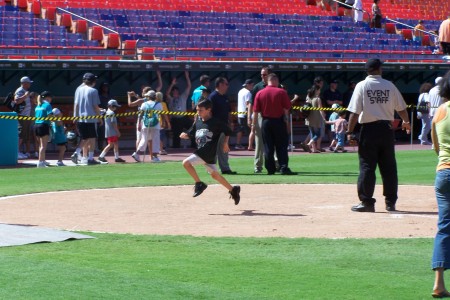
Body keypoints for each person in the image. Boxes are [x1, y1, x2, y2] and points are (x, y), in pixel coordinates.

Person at [346, 58, 411, 212]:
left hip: (369, 130)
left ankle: (367, 202)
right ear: (379, 69)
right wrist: (406, 121)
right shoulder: (389, 85)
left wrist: (349, 132)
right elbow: (401, 107)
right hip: (387, 129)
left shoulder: (362, 85)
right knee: (389, 167)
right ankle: (390, 202)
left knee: (367, 167)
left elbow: (355, 112)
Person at [180, 99, 241, 205]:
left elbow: (228, 131)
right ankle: (233, 190)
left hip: (207, 152)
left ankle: (199, 184)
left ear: (209, 110)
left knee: (186, 163)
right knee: (215, 175)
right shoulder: (198, 122)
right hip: (206, 154)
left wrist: (225, 143)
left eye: (201, 110)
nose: (198, 112)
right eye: (197, 110)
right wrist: (185, 135)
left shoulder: (215, 122)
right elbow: (190, 133)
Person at [431, 70, 450, 299]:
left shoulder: (439, 112)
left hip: (443, 172)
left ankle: (438, 283)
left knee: (444, 228)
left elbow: (436, 148)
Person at [253, 73, 294, 175]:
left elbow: (255, 111)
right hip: (278, 121)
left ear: (267, 81)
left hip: (265, 122)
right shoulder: (281, 92)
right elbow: (287, 108)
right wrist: (287, 123)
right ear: (276, 81)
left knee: (268, 147)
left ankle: (270, 169)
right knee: (281, 146)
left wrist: (254, 125)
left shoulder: (260, 93)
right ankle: (283, 167)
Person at [73, 72, 103, 165]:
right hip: (91, 118)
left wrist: (75, 116)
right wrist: (100, 118)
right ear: (93, 81)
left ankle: (77, 153)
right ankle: (90, 158)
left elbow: (76, 104)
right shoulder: (93, 91)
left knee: (85, 138)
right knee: (92, 138)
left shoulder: (79, 90)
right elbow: (95, 106)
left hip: (81, 118)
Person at [209, 77, 236, 175]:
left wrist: (231, 122)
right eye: (226, 84)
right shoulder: (212, 97)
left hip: (224, 127)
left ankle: (225, 169)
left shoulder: (225, 97)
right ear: (220, 84)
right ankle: (211, 169)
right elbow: (209, 112)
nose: (227, 86)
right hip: (215, 127)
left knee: (224, 148)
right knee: (213, 149)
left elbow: (228, 112)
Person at [248, 67, 270, 173]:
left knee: (273, 142)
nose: (263, 76)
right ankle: (258, 165)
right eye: (261, 74)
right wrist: (250, 118)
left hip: (272, 116)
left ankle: (275, 163)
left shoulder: (275, 85)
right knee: (259, 142)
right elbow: (251, 104)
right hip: (260, 115)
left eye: (265, 74)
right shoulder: (257, 87)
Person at [132, 90, 162, 162]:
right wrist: (163, 122)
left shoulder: (144, 104)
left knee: (144, 139)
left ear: (148, 97)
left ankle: (137, 153)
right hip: (155, 124)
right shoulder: (158, 104)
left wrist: (139, 124)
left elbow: (141, 115)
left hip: (145, 124)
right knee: (155, 140)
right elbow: (162, 114)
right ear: (155, 97)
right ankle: (155, 157)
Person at [166, 70, 193, 148]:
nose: (175, 92)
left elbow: (189, 87)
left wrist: (187, 76)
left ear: (178, 92)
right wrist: (172, 84)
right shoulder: (171, 99)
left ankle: (194, 145)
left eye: (176, 91)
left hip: (184, 117)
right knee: (176, 135)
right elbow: (167, 94)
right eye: (173, 91)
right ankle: (176, 148)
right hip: (175, 119)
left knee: (193, 129)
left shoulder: (182, 97)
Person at [98, 99, 125, 163]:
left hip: (109, 131)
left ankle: (117, 157)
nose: (115, 108)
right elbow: (113, 123)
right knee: (110, 144)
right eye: (114, 106)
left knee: (115, 144)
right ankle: (101, 156)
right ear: (111, 106)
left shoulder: (107, 112)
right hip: (112, 131)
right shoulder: (111, 113)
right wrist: (117, 131)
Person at [14, 76, 34, 159]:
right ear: (24, 83)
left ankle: (18, 151)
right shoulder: (20, 90)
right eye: (28, 82)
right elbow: (16, 101)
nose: (30, 84)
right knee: (21, 133)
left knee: (24, 134)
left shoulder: (25, 91)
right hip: (21, 115)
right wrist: (25, 96)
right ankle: (16, 152)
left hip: (26, 116)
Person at [34, 91, 53, 168]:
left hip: (36, 125)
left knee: (40, 145)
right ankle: (40, 163)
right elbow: (50, 117)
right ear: (48, 97)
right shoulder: (47, 105)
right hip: (43, 125)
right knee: (43, 146)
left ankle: (42, 160)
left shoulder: (38, 105)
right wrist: (54, 120)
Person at [305, 85, 324, 153]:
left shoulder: (308, 97)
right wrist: (324, 117)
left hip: (308, 118)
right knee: (317, 134)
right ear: (316, 90)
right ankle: (308, 144)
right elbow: (320, 109)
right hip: (316, 119)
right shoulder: (317, 99)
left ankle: (314, 149)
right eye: (319, 90)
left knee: (312, 134)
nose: (320, 91)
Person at [235, 79, 253, 150]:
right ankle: (250, 145)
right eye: (252, 85)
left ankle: (238, 144)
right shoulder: (248, 92)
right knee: (250, 130)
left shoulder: (240, 91)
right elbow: (248, 104)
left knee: (240, 129)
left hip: (240, 113)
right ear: (248, 85)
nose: (252, 86)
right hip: (245, 114)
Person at [96, 82, 110, 151]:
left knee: (109, 131)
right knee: (101, 132)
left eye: (106, 87)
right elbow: (96, 106)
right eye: (104, 87)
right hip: (101, 115)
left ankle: (109, 146)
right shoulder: (99, 96)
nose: (105, 88)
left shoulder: (110, 96)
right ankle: (100, 147)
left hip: (109, 115)